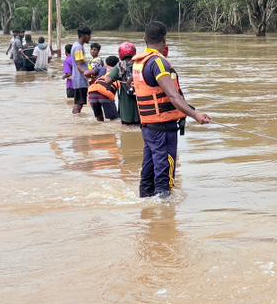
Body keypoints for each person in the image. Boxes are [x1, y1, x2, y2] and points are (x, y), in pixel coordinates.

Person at [133, 20, 210, 197]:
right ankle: (164, 210)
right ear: (164, 40)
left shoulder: (139, 62)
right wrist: (195, 114)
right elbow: (173, 96)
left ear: (145, 38)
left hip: (148, 126)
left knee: (150, 166)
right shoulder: (158, 63)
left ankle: (146, 203)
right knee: (165, 167)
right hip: (162, 127)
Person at [87, 55, 121, 121]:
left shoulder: (102, 69)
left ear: (106, 63)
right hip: (104, 93)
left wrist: (92, 79)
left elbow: (86, 73)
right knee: (114, 120)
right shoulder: (117, 72)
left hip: (91, 93)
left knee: (99, 119)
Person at [69, 27, 92, 115]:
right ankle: (75, 120)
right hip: (80, 80)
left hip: (78, 79)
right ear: (84, 36)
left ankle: (76, 119)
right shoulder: (78, 48)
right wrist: (88, 74)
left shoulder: (76, 45)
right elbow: (79, 65)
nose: (90, 37)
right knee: (79, 103)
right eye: (89, 35)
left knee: (79, 103)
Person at [116, 41, 139, 126]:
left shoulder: (120, 65)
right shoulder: (140, 64)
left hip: (126, 113)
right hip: (141, 110)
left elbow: (108, 79)